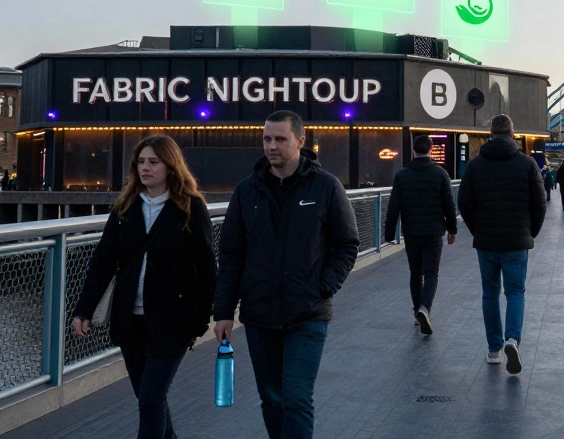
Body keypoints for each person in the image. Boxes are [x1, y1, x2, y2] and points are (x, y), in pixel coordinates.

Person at [213, 111, 361, 439]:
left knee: (296, 398)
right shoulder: (247, 191)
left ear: (300, 142)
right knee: (272, 399)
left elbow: (347, 244)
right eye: (267, 139)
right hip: (259, 315)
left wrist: (323, 286)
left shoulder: (326, 187)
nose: (271, 146)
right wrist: (223, 312)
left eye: (280, 139)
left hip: (307, 314)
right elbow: (232, 255)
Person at [72, 136, 216, 439]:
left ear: (170, 166)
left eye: (153, 162)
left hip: (173, 321)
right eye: (140, 162)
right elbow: (103, 260)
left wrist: (201, 321)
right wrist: (83, 309)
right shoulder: (125, 208)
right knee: (150, 399)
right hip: (130, 321)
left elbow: (206, 268)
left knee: (151, 398)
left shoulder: (190, 208)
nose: (145, 168)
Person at [458, 114, 547, 374]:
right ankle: (512, 340)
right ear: (512, 133)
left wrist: (477, 229)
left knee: (490, 294)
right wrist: (529, 233)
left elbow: (464, 203)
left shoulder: (475, 165)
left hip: (486, 241)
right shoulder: (527, 164)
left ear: (490, 134)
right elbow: (539, 203)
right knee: (515, 293)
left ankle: (494, 350)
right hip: (517, 241)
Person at [384, 134, 458, 336]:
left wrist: (389, 233)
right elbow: (449, 205)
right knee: (431, 273)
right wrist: (452, 229)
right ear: (431, 150)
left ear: (413, 150)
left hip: (412, 232)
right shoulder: (440, 174)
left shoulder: (402, 176)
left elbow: (393, 206)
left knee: (415, 273)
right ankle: (425, 308)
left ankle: (418, 312)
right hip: (434, 231)